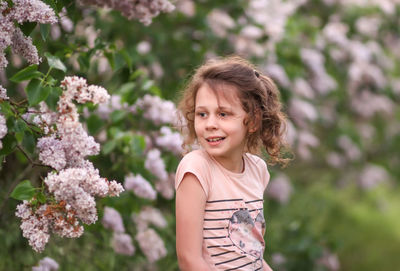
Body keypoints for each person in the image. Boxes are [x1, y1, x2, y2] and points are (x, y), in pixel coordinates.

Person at [175, 56, 289, 271]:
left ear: (253, 121)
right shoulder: (197, 170)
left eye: (223, 114)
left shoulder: (257, 170)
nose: (210, 124)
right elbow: (189, 259)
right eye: (202, 114)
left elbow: (251, 254)